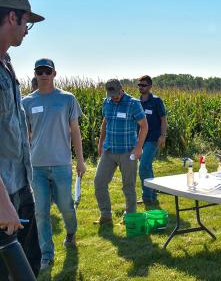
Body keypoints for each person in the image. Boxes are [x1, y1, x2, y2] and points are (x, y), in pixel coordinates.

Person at [22, 58, 86, 270]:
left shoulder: (67, 99)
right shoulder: (26, 102)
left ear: (54, 73)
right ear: (35, 74)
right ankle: (46, 254)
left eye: (47, 71)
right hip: (37, 166)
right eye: (40, 71)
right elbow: (26, 135)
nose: (43, 75)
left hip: (61, 165)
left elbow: (75, 131)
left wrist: (80, 161)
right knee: (41, 211)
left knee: (66, 207)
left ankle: (70, 233)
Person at [0, 0, 44, 279]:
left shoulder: (6, 63)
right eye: (26, 24)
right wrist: (2, 205)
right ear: (11, 16)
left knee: (28, 266)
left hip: (19, 186)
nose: (27, 32)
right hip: (3, 196)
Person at [94, 79, 148, 224]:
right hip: (109, 150)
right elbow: (105, 123)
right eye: (111, 95)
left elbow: (144, 126)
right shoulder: (107, 102)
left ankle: (130, 216)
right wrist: (100, 143)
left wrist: (138, 148)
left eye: (116, 94)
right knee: (99, 182)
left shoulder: (133, 103)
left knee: (128, 186)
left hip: (128, 151)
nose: (114, 97)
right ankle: (105, 215)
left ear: (121, 89)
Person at [137, 75, 167, 205]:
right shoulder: (137, 102)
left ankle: (147, 196)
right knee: (147, 166)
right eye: (139, 85)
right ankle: (153, 193)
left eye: (143, 85)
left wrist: (163, 136)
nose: (141, 87)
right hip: (140, 140)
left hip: (153, 138)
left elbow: (163, 120)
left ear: (150, 86)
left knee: (143, 167)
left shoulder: (156, 101)